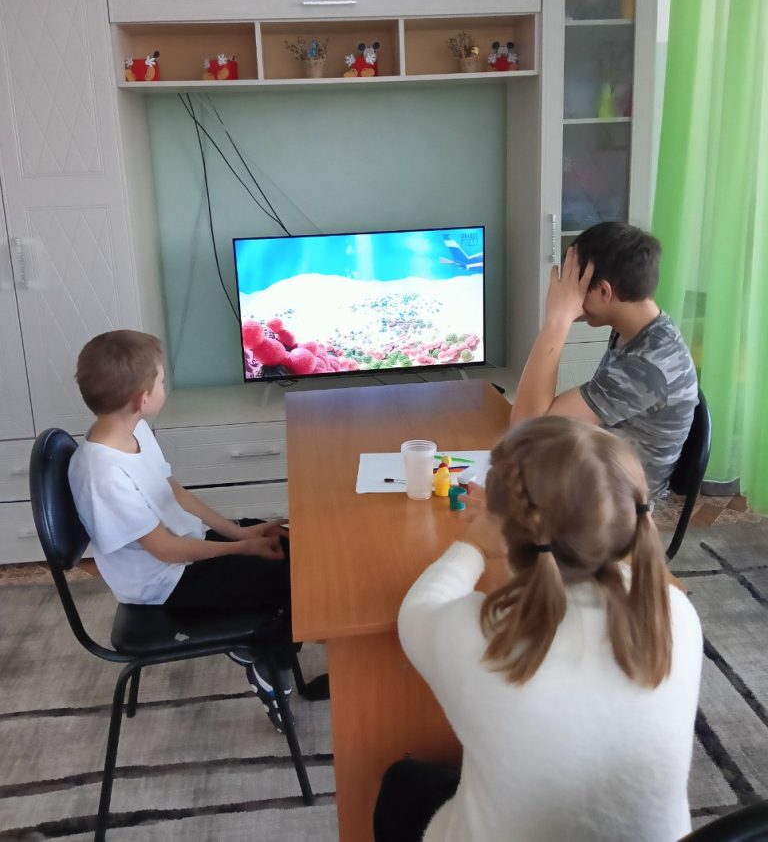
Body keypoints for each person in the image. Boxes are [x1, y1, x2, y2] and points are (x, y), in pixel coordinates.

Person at [374, 417, 703, 842]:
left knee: (402, 782)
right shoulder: (676, 613)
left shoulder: (487, 636)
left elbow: (418, 610)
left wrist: (475, 543)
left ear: (504, 527)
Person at [67, 329, 327, 731]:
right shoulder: (103, 474)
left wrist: (241, 533)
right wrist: (243, 551)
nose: (164, 387)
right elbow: (166, 550)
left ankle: (271, 645)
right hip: (166, 584)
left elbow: (174, 492)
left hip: (187, 550)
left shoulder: (132, 429)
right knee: (297, 580)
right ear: (141, 399)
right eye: (161, 381)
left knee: (298, 545)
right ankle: (268, 661)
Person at [510, 221, 698, 504]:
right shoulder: (640, 328)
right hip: (598, 467)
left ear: (604, 292)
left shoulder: (646, 366)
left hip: (616, 508)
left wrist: (557, 320)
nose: (574, 301)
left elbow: (527, 428)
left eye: (578, 290)